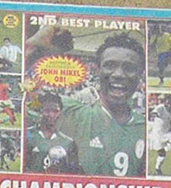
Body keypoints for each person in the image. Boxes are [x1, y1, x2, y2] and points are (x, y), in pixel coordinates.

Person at [57, 33, 147, 178]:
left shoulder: (145, 128)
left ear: (140, 74)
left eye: (129, 68)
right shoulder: (71, 113)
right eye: (110, 65)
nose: (118, 74)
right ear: (97, 70)